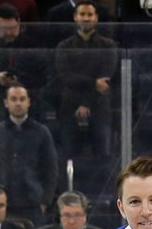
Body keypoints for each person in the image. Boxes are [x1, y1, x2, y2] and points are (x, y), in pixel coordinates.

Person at [54, 1, 117, 159]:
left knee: (103, 157)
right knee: (68, 157)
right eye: (82, 14)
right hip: (69, 107)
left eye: (90, 15)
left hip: (99, 107)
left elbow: (106, 78)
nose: (86, 18)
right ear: (75, 18)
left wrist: (86, 103)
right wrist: (93, 83)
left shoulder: (108, 46)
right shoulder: (64, 46)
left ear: (96, 18)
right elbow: (65, 76)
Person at [0, 83, 57, 225]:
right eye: (13, 99)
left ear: (28, 102)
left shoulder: (41, 132)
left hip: (33, 202)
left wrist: (45, 201)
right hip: (4, 201)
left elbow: (51, 168)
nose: (18, 103)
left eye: (22, 99)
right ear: (6, 103)